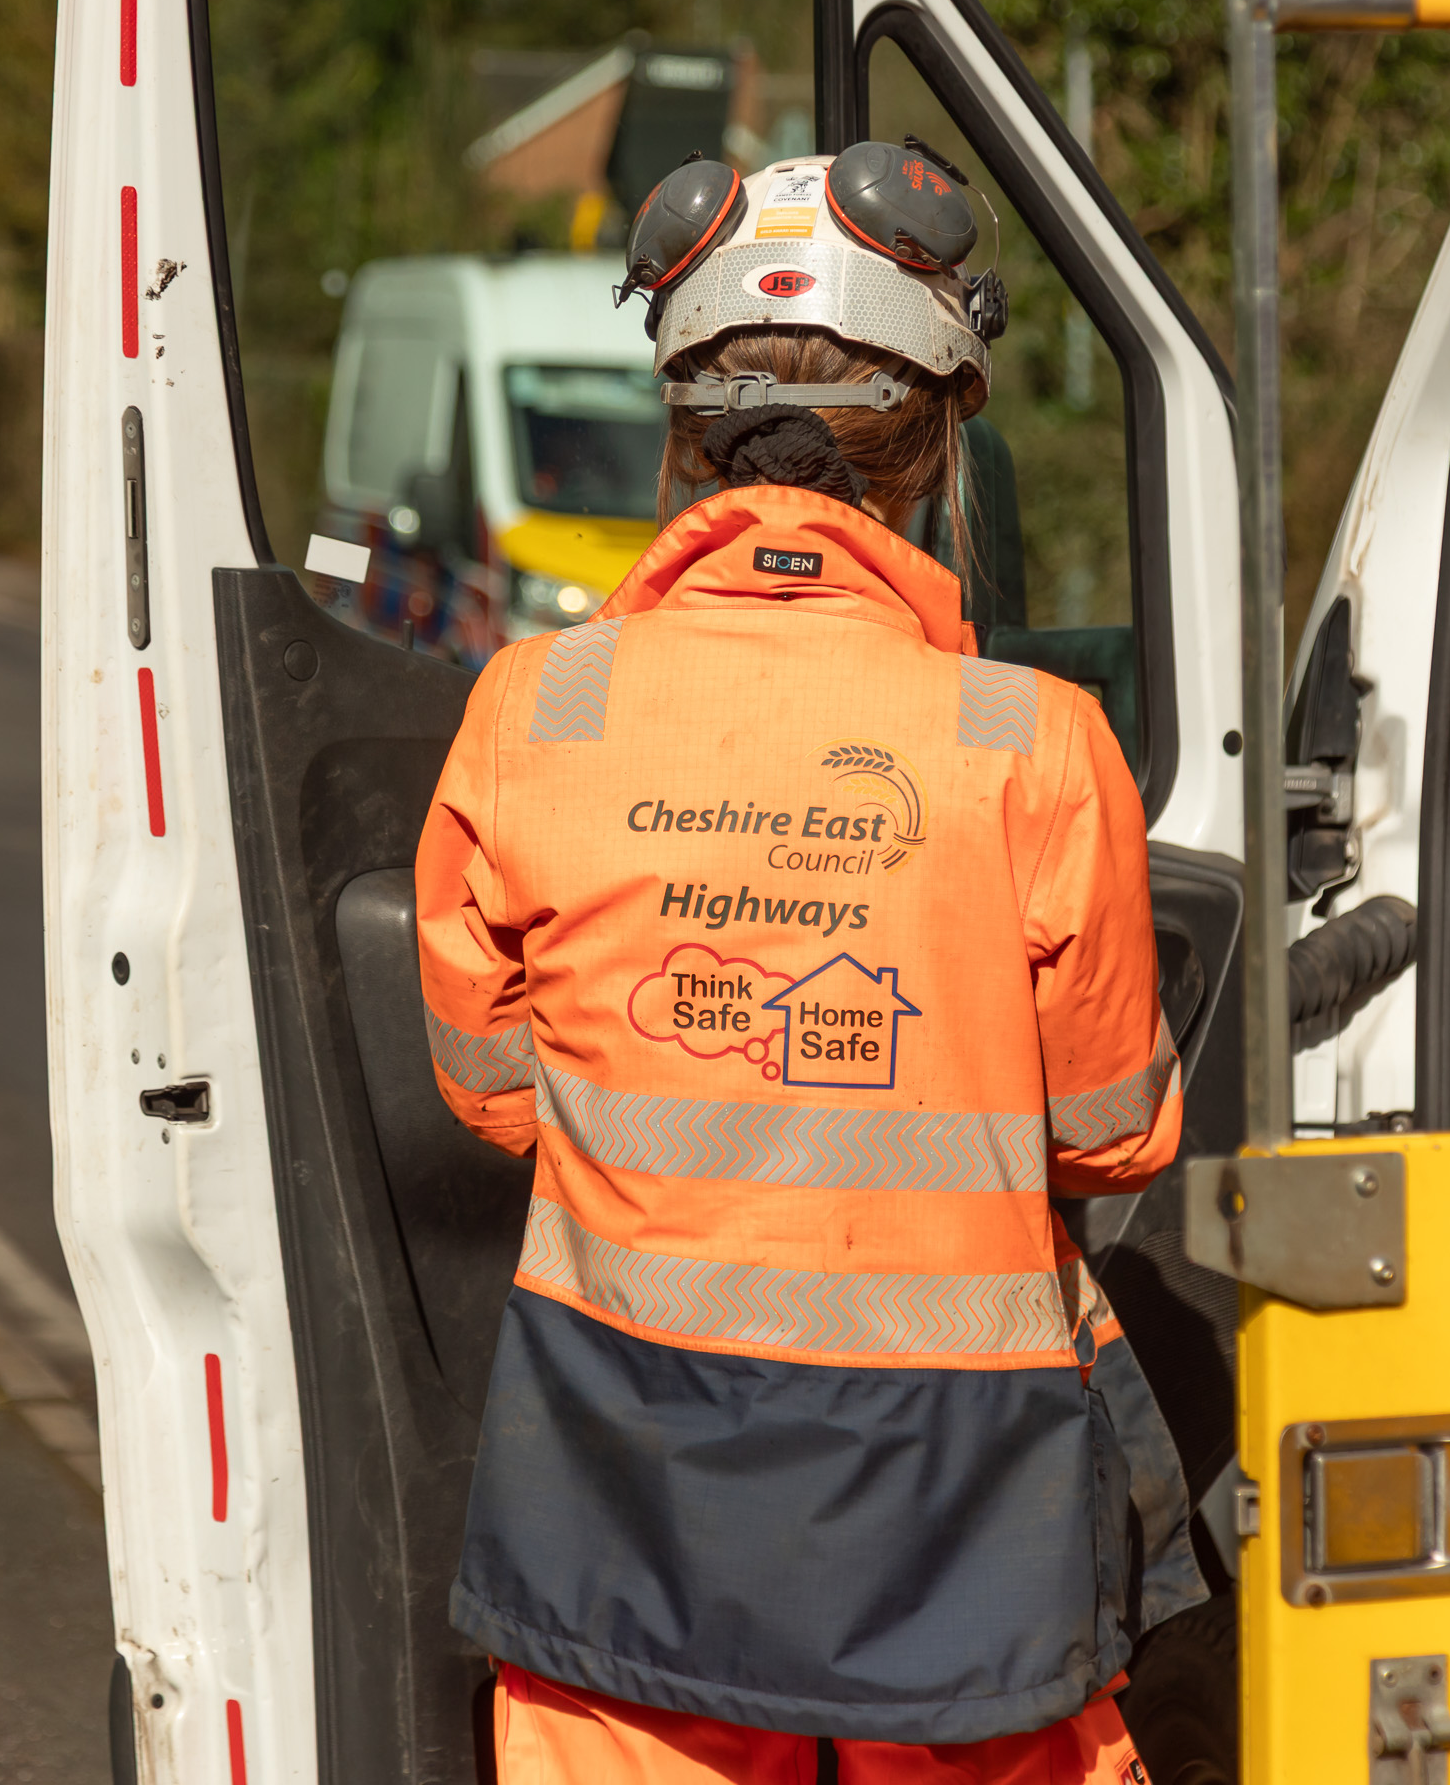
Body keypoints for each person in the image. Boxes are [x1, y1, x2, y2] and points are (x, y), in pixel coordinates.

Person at [416, 143, 1201, 1785]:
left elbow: (494, 1090)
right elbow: (1113, 1132)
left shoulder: (533, 707)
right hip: (958, 1510)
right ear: (932, 448)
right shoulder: (1033, 741)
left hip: (620, 1474)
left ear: (682, 435)